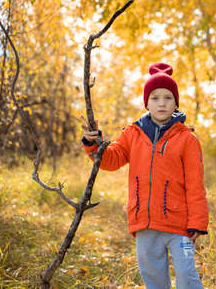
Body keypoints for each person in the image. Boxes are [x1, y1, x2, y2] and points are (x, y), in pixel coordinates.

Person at [81, 62, 208, 289]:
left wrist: (197, 222)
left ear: (176, 103)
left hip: (180, 225)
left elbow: (195, 184)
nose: (161, 103)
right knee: (154, 279)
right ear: (146, 102)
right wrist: (94, 143)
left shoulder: (187, 139)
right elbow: (111, 159)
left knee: (187, 277)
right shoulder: (132, 134)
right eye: (155, 98)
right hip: (144, 223)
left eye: (168, 98)